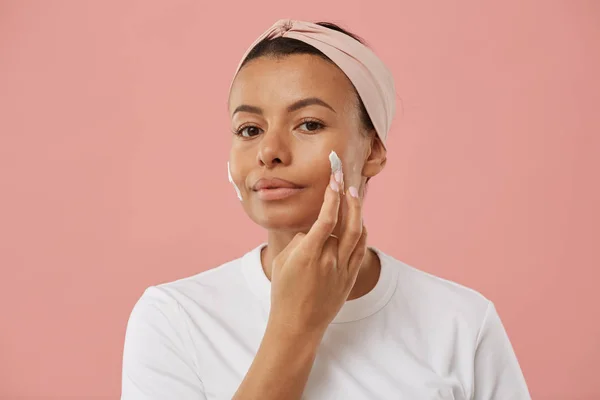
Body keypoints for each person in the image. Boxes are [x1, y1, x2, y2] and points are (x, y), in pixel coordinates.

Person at [121, 19, 531, 399]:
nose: (269, 152)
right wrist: (295, 328)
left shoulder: (461, 323)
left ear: (372, 150)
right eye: (250, 129)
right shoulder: (174, 319)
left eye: (309, 124)